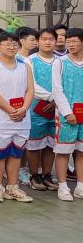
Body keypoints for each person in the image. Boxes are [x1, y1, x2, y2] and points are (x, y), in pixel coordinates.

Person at [0, 31, 34, 203]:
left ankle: (13, 187)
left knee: (16, 153)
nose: (11, 47)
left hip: (22, 118)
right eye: (7, 44)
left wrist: (23, 109)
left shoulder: (25, 66)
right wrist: (11, 110)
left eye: (14, 44)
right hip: (1, 118)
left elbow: (30, 90)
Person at [25, 28, 59, 192]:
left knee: (51, 144)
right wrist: (51, 98)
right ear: (38, 41)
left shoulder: (61, 61)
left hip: (58, 108)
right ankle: (34, 175)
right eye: (44, 39)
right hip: (36, 108)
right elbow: (31, 84)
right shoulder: (30, 61)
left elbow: (66, 81)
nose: (47, 42)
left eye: (51, 39)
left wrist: (57, 100)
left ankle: (47, 175)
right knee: (34, 144)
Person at [52, 27, 83, 201]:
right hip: (66, 116)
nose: (70, 44)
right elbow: (57, 90)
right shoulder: (60, 62)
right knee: (63, 151)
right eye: (68, 41)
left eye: (74, 41)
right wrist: (67, 112)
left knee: (81, 151)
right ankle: (63, 187)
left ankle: (80, 186)